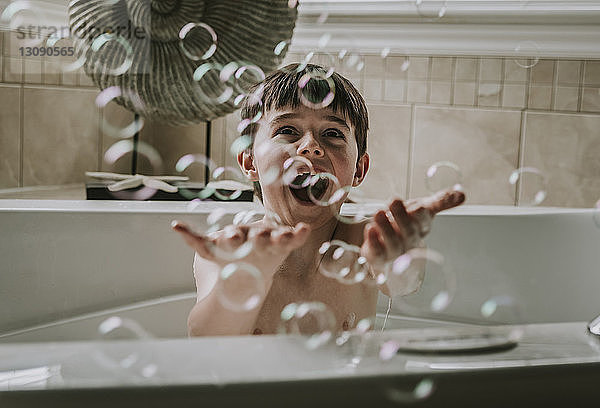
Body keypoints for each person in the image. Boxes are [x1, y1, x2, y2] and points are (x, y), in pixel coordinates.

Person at [172, 63, 465, 337]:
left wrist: (402, 253)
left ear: (359, 169)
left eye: (332, 134)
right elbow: (205, 336)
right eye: (287, 131)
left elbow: (405, 283)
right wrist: (246, 277)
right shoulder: (232, 248)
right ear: (250, 161)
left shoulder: (364, 241)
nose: (311, 147)